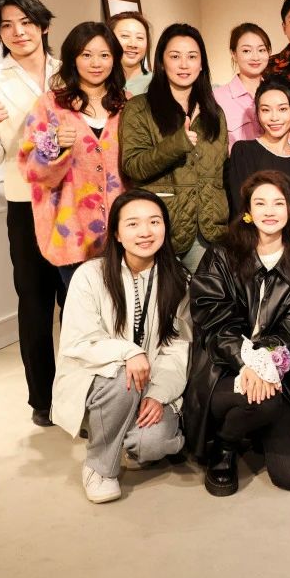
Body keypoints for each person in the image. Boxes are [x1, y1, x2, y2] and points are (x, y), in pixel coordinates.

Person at [186, 171, 290, 495]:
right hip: (223, 369)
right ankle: (225, 445)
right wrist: (246, 361)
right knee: (265, 403)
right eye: (260, 203)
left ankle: (250, 425)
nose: (269, 211)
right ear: (248, 210)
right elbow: (212, 319)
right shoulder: (222, 254)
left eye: (278, 203)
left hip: (275, 373)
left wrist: (264, 365)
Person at [51, 190, 191, 503]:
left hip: (151, 382)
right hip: (103, 380)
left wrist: (158, 394)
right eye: (133, 224)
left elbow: (177, 346)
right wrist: (129, 352)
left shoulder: (177, 278)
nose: (145, 232)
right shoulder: (90, 275)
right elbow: (80, 340)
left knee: (151, 445)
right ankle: (99, 467)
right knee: (121, 379)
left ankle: (119, 429)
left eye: (154, 222)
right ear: (116, 233)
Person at [0, 0, 64, 426]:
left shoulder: (68, 72)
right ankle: (43, 399)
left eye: (26, 22)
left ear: (43, 25)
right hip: (26, 203)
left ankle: (83, 392)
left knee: (78, 299)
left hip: (73, 201)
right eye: (7, 26)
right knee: (35, 303)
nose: (18, 32)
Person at [19, 21, 128, 285]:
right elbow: (30, 169)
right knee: (83, 307)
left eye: (104, 55)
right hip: (72, 233)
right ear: (73, 58)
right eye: (86, 55)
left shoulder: (129, 104)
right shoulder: (50, 105)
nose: (96, 63)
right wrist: (54, 146)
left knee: (125, 306)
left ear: (114, 59)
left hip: (123, 232)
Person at [119, 24, 229, 272]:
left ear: (201, 64)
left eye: (192, 57)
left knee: (209, 296)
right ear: (161, 62)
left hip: (209, 231)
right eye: (175, 56)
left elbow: (222, 171)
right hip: (162, 229)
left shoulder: (214, 112)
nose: (184, 65)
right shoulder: (139, 108)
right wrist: (178, 143)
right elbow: (133, 166)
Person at [225, 77, 290, 217]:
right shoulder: (244, 152)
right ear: (257, 113)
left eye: (282, 109)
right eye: (266, 110)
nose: (274, 118)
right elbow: (241, 208)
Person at [213, 23, 272, 150]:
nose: (255, 57)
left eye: (261, 50)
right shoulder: (217, 98)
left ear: (269, 52)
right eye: (246, 51)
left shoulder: (279, 93)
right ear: (234, 54)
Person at [107, 11, 152, 96]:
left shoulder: (158, 83)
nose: (133, 44)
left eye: (140, 37)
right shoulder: (98, 81)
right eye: (125, 36)